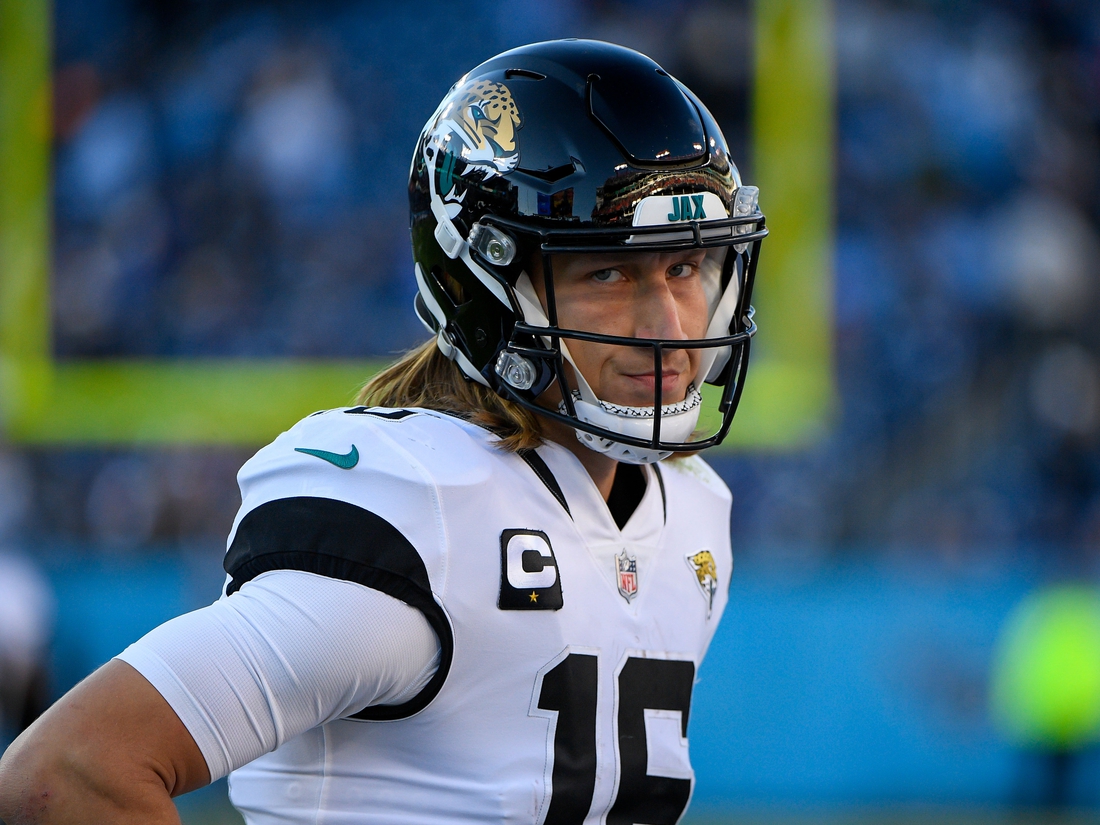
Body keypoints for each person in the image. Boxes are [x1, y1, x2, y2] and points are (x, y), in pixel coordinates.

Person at [0, 39, 765, 825]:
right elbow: (66, 772)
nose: (668, 324)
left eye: (686, 267)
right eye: (607, 273)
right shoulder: (422, 507)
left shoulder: (692, 510)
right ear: (484, 283)